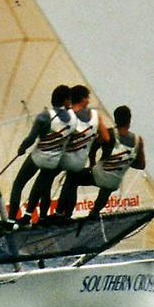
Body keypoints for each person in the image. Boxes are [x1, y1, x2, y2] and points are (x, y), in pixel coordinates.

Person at [29, 84, 110, 224]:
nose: (89, 101)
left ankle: (41, 215)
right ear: (83, 99)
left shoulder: (69, 116)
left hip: (64, 156)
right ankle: (66, 215)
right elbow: (106, 137)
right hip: (80, 158)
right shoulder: (96, 116)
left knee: (46, 180)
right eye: (87, 98)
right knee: (72, 183)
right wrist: (90, 142)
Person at [56, 103, 145, 222]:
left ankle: (64, 214)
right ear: (130, 120)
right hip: (114, 181)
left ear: (115, 119)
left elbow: (93, 148)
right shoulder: (138, 141)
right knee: (108, 186)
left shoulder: (109, 133)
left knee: (72, 177)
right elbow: (141, 165)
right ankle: (95, 212)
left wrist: (92, 163)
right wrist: (125, 162)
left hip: (99, 175)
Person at [6, 85, 73, 225]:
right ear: (66, 101)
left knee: (18, 183)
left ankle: (11, 220)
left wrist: (21, 149)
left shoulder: (44, 116)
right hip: (54, 160)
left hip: (38, 157)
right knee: (45, 188)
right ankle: (42, 218)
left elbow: (31, 138)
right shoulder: (74, 119)